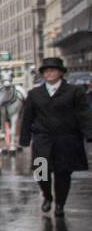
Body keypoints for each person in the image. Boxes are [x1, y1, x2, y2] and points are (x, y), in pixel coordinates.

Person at [19, 56, 92, 217]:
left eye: (53, 70)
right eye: (46, 71)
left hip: (66, 139)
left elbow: (84, 114)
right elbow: (27, 117)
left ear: (60, 73)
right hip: (42, 139)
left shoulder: (75, 91)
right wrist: (24, 138)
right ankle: (47, 196)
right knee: (41, 171)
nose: (49, 73)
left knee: (63, 174)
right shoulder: (34, 94)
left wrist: (89, 134)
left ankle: (60, 204)